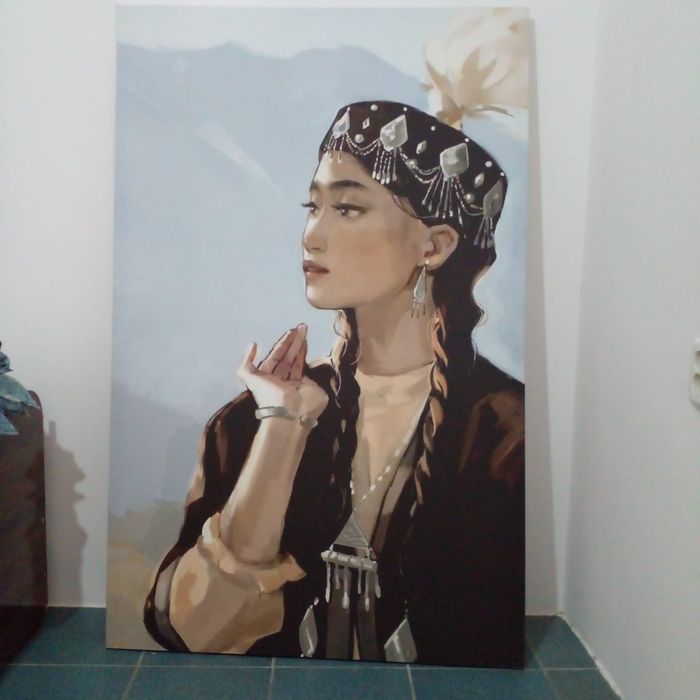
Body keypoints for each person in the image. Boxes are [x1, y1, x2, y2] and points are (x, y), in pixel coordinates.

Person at [144, 101, 525, 668]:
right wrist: (283, 428)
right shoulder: (255, 419)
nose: (311, 235)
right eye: (313, 206)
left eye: (347, 208)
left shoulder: (507, 433)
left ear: (435, 245)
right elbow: (193, 633)